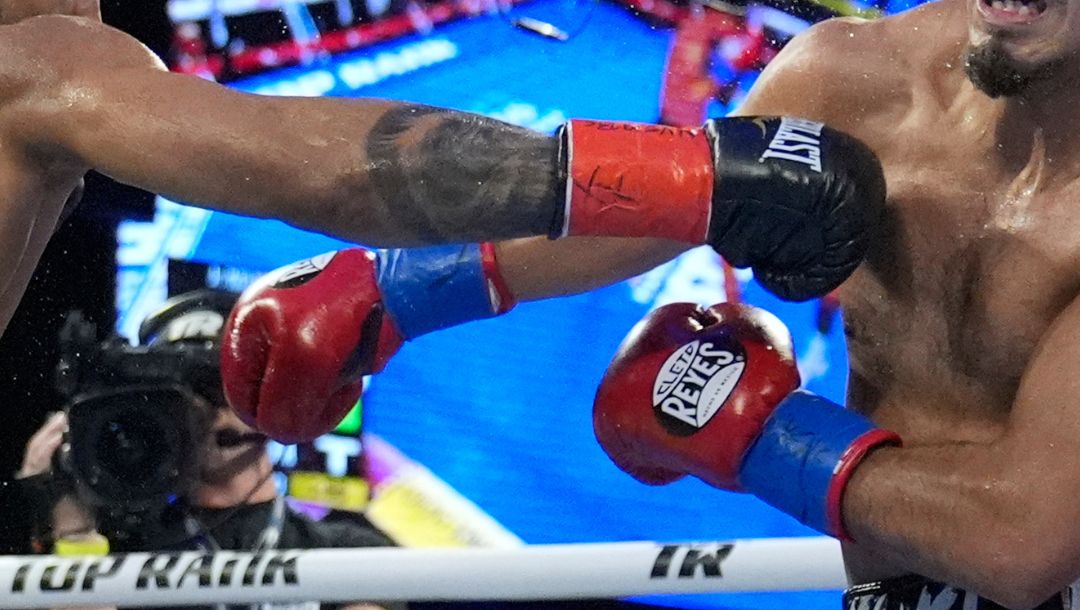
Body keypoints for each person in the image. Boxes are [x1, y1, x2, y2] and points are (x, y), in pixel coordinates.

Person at [222, 0, 1080, 607]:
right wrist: (402, 291)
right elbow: (678, 204)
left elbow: (1016, 541)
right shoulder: (859, 79)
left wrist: (752, 433)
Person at [0, 0, 884, 344]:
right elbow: (330, 174)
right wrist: (699, 177)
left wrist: (409, 299)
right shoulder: (35, 68)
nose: (93, 8)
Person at [17, 290, 402, 610]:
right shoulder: (117, 562)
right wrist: (70, 521)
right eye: (184, 392)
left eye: (221, 387)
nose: (206, 410)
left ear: (271, 400)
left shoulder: (351, 560)